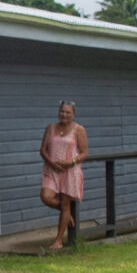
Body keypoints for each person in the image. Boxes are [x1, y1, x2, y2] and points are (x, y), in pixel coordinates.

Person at [40, 100, 88, 250]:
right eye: (62, 111)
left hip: (70, 171)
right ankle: (67, 214)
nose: (64, 115)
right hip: (52, 169)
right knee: (46, 196)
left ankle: (58, 240)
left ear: (73, 114)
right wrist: (51, 162)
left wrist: (71, 162)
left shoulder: (78, 129)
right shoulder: (51, 128)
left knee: (66, 203)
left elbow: (84, 152)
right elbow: (43, 150)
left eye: (68, 112)